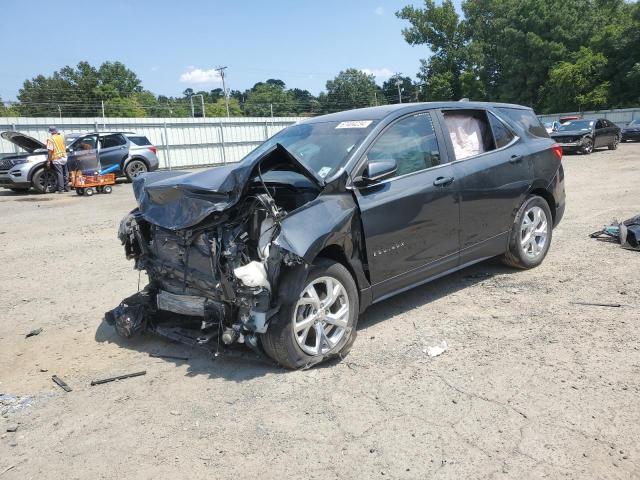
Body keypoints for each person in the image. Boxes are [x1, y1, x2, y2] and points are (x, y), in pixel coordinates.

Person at [46, 126, 69, 193]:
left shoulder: (50, 139)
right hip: (64, 157)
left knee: (60, 174)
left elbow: (50, 151)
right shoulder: (61, 137)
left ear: (50, 132)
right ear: (56, 131)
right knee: (65, 173)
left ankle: (61, 189)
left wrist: (48, 161)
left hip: (56, 158)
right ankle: (67, 188)